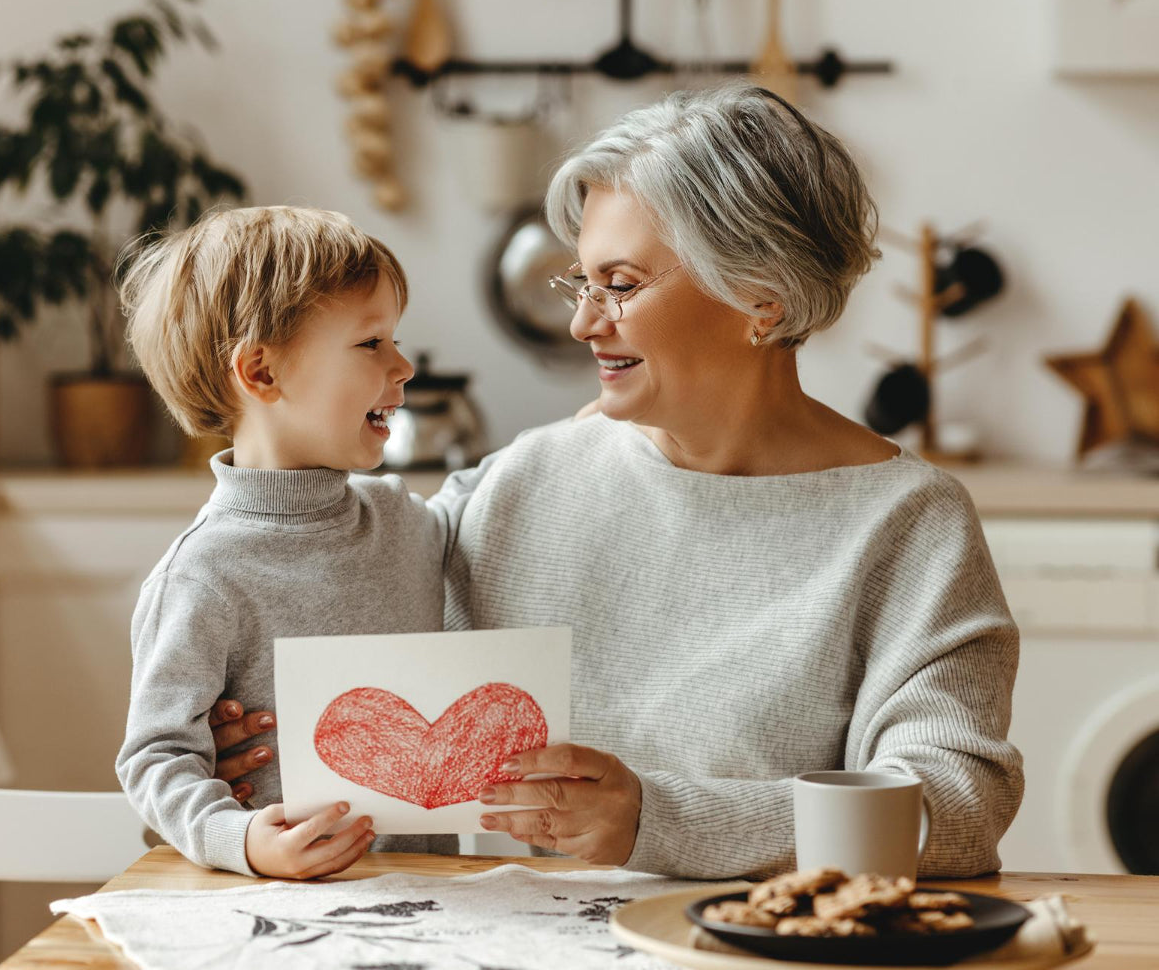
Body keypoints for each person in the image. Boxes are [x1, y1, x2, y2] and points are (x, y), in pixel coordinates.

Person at [215, 83, 1023, 880]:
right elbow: (355, 631)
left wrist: (657, 819)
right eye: (582, 283)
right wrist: (250, 734)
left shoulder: (908, 524)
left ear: (762, 300)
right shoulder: (530, 478)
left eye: (623, 286)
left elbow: (956, 809)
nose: (582, 322)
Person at [115, 205, 459, 879]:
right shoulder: (202, 573)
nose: (405, 364)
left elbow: (502, 491)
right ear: (262, 374)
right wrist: (241, 840)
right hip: (274, 918)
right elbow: (155, 757)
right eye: (371, 343)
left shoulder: (405, 522)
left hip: (433, 905)